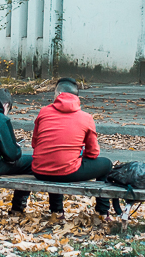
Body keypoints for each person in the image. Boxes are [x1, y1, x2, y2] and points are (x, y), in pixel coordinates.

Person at [31, 78, 117, 217]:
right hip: (68, 172)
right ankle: (102, 210)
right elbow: (94, 153)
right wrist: (80, 155)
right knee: (106, 164)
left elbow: (34, 144)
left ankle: (56, 210)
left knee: (55, 160)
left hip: (39, 170)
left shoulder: (43, 112)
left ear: (57, 93)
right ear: (77, 96)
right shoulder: (86, 117)